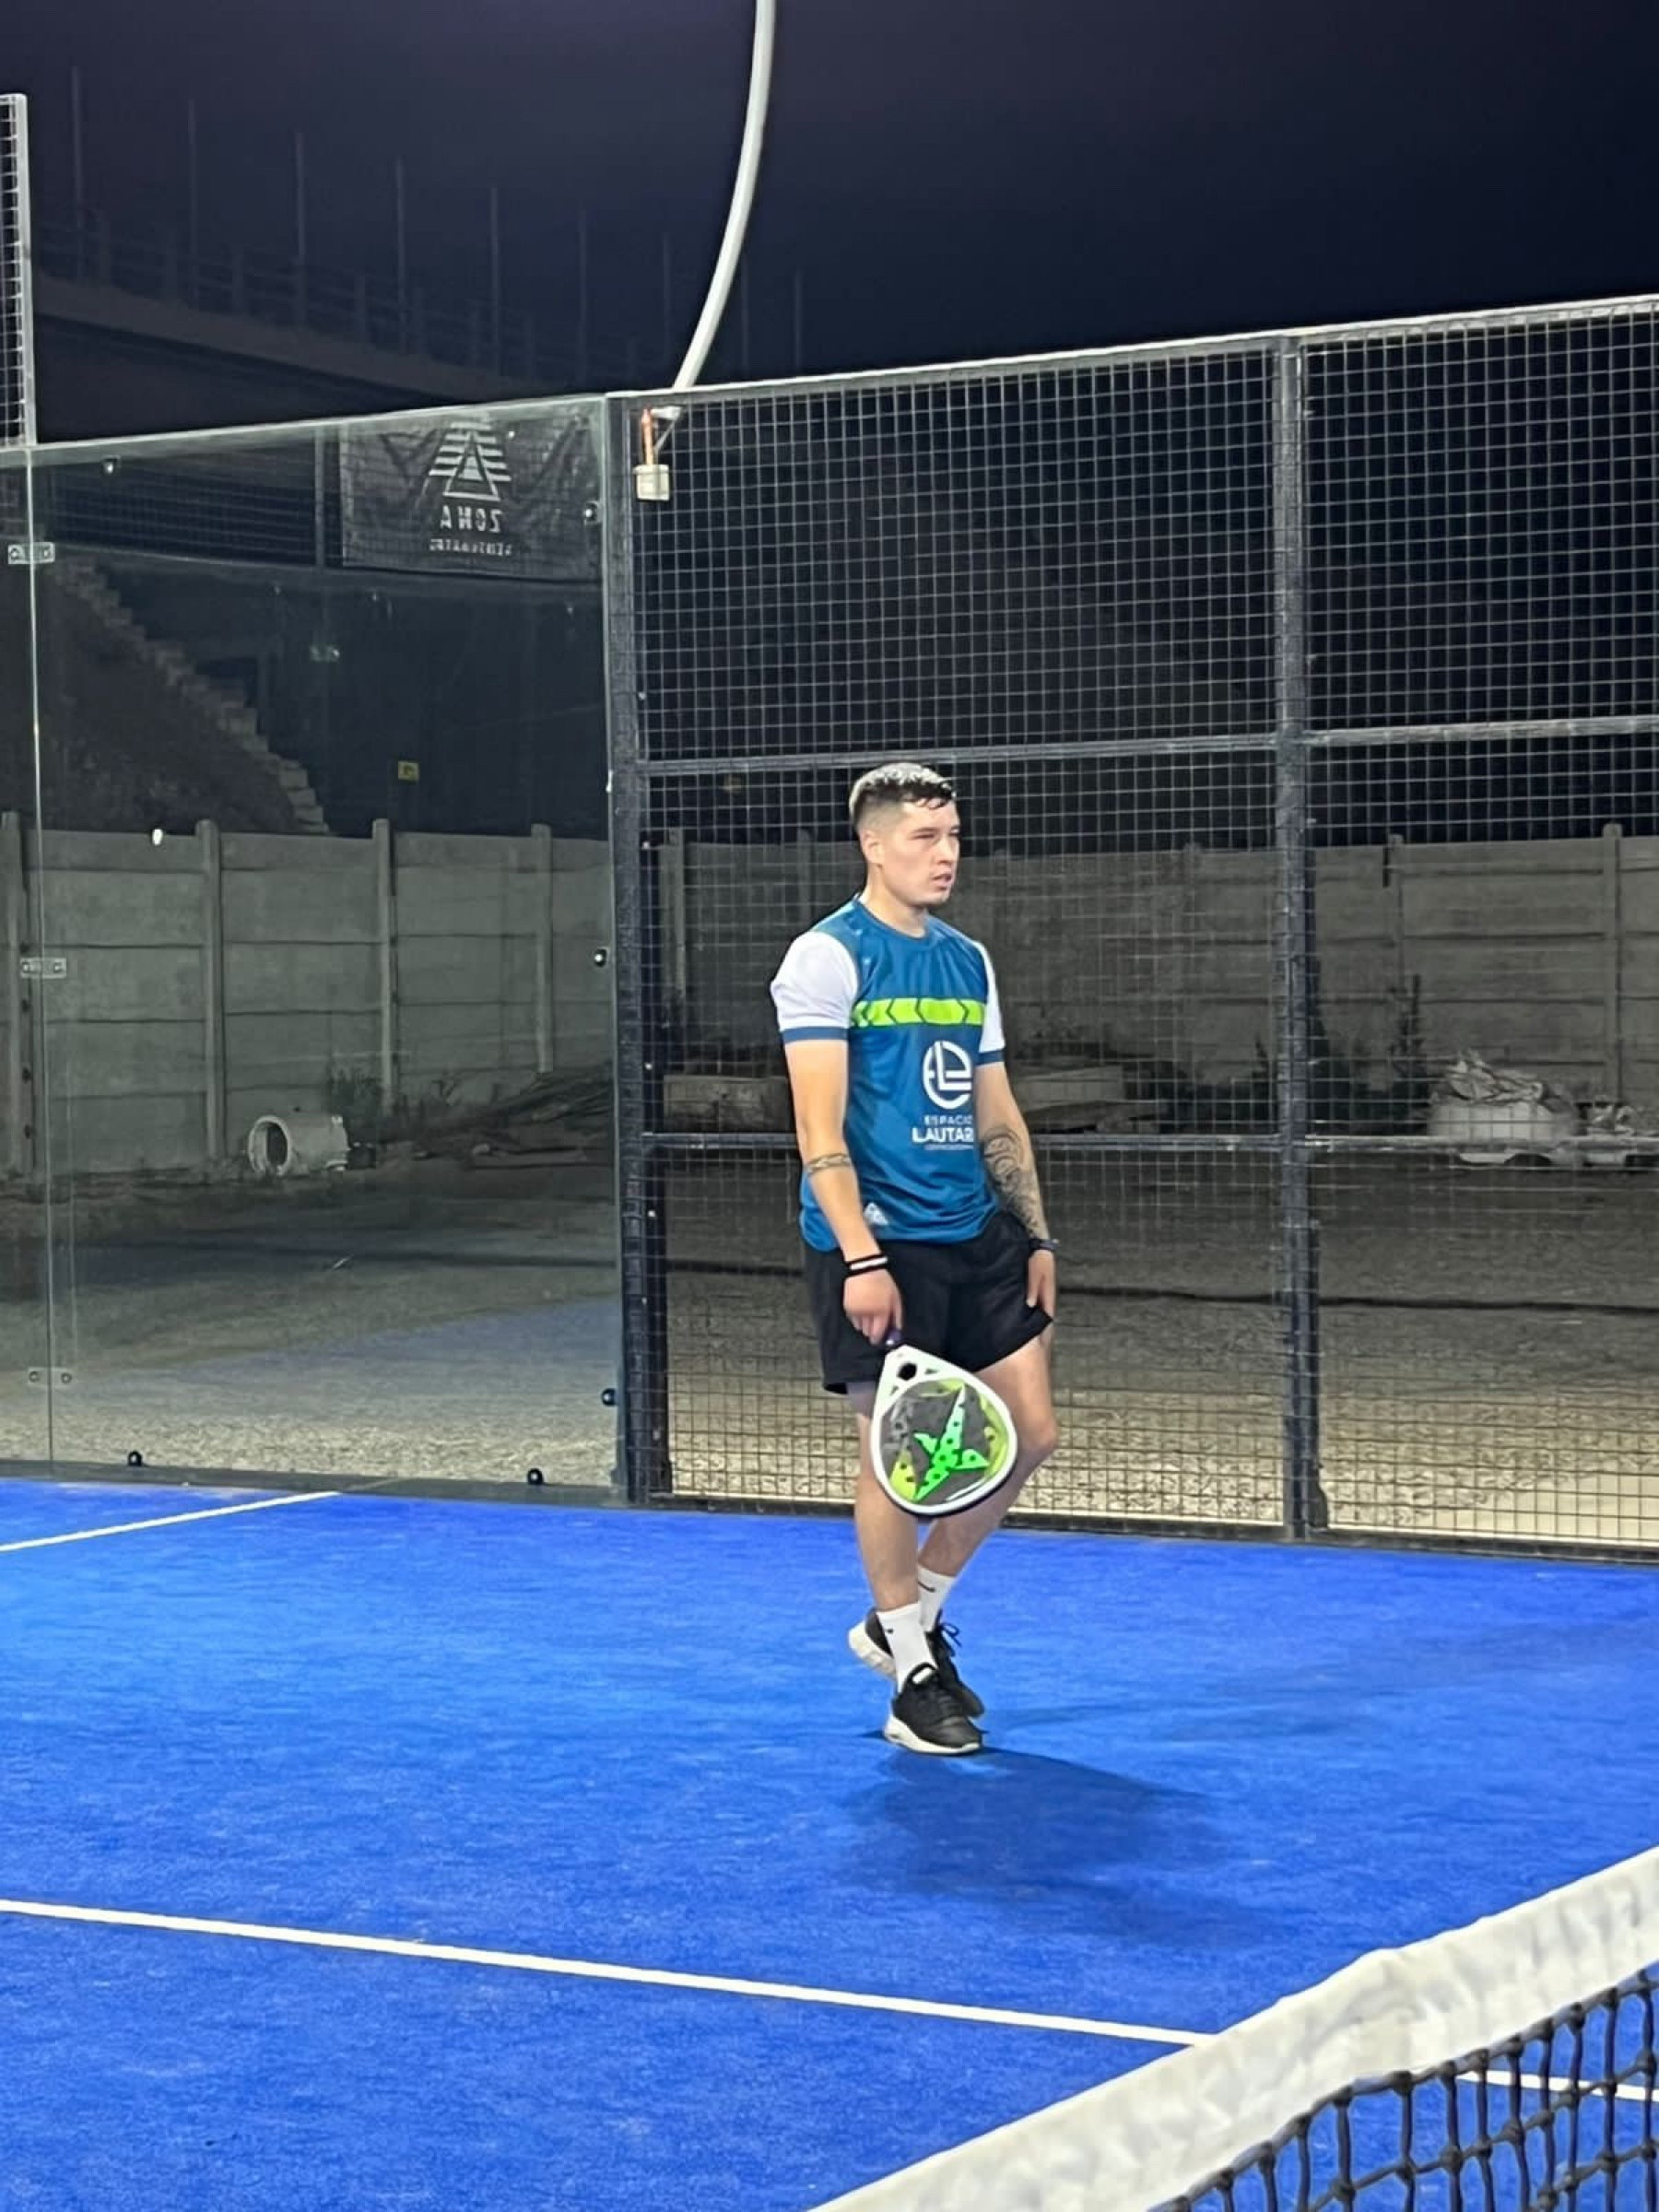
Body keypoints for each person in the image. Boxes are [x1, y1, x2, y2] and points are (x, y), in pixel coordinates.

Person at [769, 762, 1060, 1756]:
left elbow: (996, 1110)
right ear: (873, 845)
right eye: (925, 837)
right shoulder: (826, 958)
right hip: (878, 1241)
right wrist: (861, 1259)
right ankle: (912, 1680)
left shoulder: (967, 960)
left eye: (954, 836)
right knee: (894, 1463)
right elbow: (818, 1129)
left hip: (976, 1233)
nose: (946, 854)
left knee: (1030, 1433)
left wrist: (1036, 1234)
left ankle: (909, 1616)